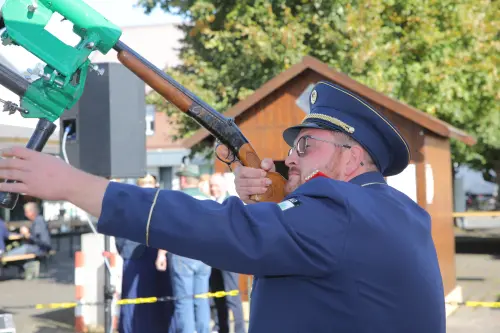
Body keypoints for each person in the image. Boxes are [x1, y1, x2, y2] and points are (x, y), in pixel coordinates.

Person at [0, 81, 446, 333]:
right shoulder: (392, 211)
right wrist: (273, 199)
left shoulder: (339, 209)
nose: (290, 157)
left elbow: (216, 228)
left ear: (353, 156)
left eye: (307, 145)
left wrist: (74, 184)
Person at [114, 175, 176, 333]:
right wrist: (126, 252)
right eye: (144, 183)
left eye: (150, 183)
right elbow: (118, 232)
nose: (147, 186)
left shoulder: (163, 204)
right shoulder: (128, 205)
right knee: (134, 301)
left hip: (157, 257)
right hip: (136, 258)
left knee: (159, 300)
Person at [157, 164, 212, 333]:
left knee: (184, 301)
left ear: (182, 179)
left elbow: (169, 230)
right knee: (202, 299)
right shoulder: (208, 200)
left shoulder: (177, 200)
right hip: (205, 255)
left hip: (183, 254)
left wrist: (161, 254)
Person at [208, 173, 246, 333]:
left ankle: (239, 330)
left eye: (216, 185)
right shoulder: (210, 203)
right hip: (213, 257)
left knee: (232, 296)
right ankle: (221, 328)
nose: (213, 189)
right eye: (211, 186)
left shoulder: (232, 204)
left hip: (229, 256)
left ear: (223, 186)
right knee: (216, 295)